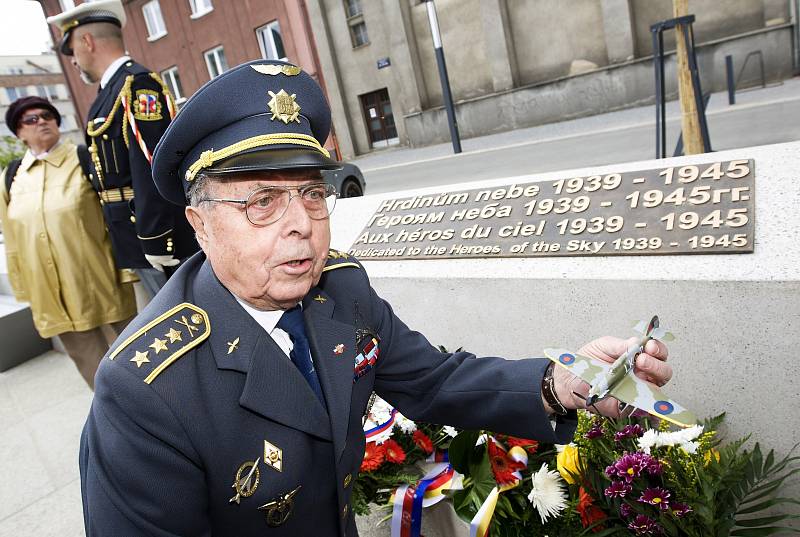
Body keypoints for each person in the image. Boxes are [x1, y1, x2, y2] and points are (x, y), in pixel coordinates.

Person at [79, 60, 672, 536]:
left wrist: (568, 383)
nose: (301, 225)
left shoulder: (340, 290)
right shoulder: (144, 391)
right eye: (261, 201)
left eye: (312, 194)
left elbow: (437, 382)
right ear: (200, 225)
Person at [46, 0, 198, 298]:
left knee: (179, 317)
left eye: (72, 51)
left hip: (152, 234)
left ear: (87, 41)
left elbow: (152, 163)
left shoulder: (137, 85)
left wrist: (155, 237)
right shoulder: (110, 91)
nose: (74, 62)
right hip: (129, 233)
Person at [0, 96, 137, 389]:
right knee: (92, 370)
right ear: (19, 133)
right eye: (31, 119)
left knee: (134, 357)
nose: (42, 122)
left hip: (100, 281)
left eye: (48, 116)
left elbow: (114, 218)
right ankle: (117, 425)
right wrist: (24, 290)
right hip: (50, 293)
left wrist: (127, 270)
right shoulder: (11, 177)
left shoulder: (83, 158)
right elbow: (12, 238)